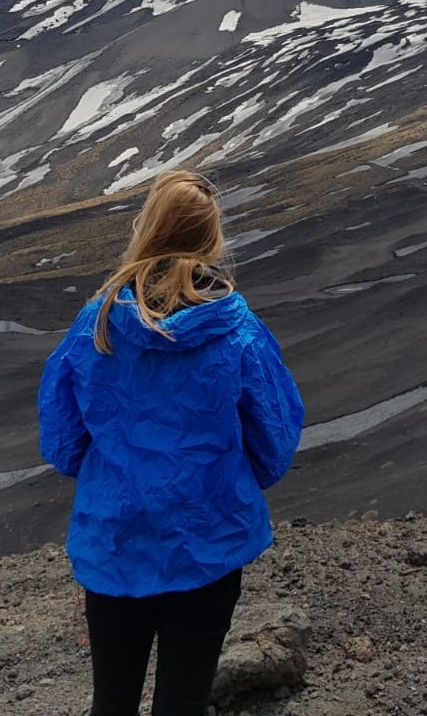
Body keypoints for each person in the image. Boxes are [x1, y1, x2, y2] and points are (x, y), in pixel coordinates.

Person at [37, 169, 304, 716]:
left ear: (148, 228)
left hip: (115, 539)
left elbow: (62, 441)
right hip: (209, 540)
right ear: (211, 240)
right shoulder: (238, 331)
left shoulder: (97, 324)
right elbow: (274, 440)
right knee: (183, 700)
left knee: (112, 700)